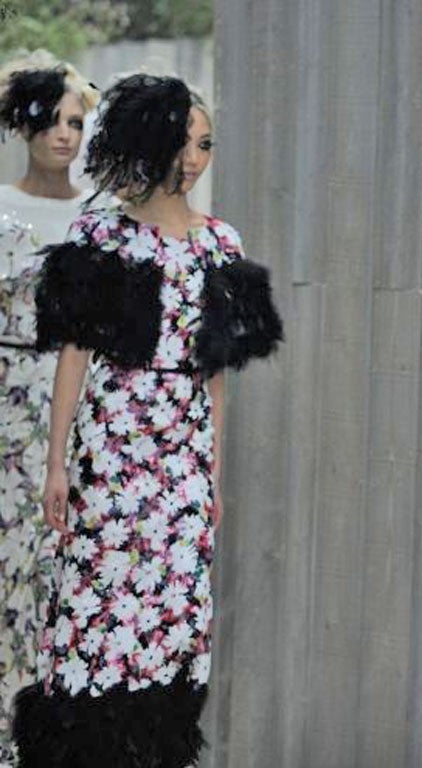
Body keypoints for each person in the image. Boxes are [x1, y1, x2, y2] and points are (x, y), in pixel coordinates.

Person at [11, 73, 283, 767]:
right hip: (112, 443)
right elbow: (76, 350)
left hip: (184, 458)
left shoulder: (221, 242)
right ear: (147, 139)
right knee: (94, 608)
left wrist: (213, 475)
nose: (193, 159)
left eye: (205, 144)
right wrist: (57, 462)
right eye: (181, 142)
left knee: (173, 620)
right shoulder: (104, 231)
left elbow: (217, 371)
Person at [0, 51, 99, 767]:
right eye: (49, 117)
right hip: (5, 407)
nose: (63, 133)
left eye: (75, 120)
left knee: (64, 575)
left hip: (82, 411)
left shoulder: (99, 220)